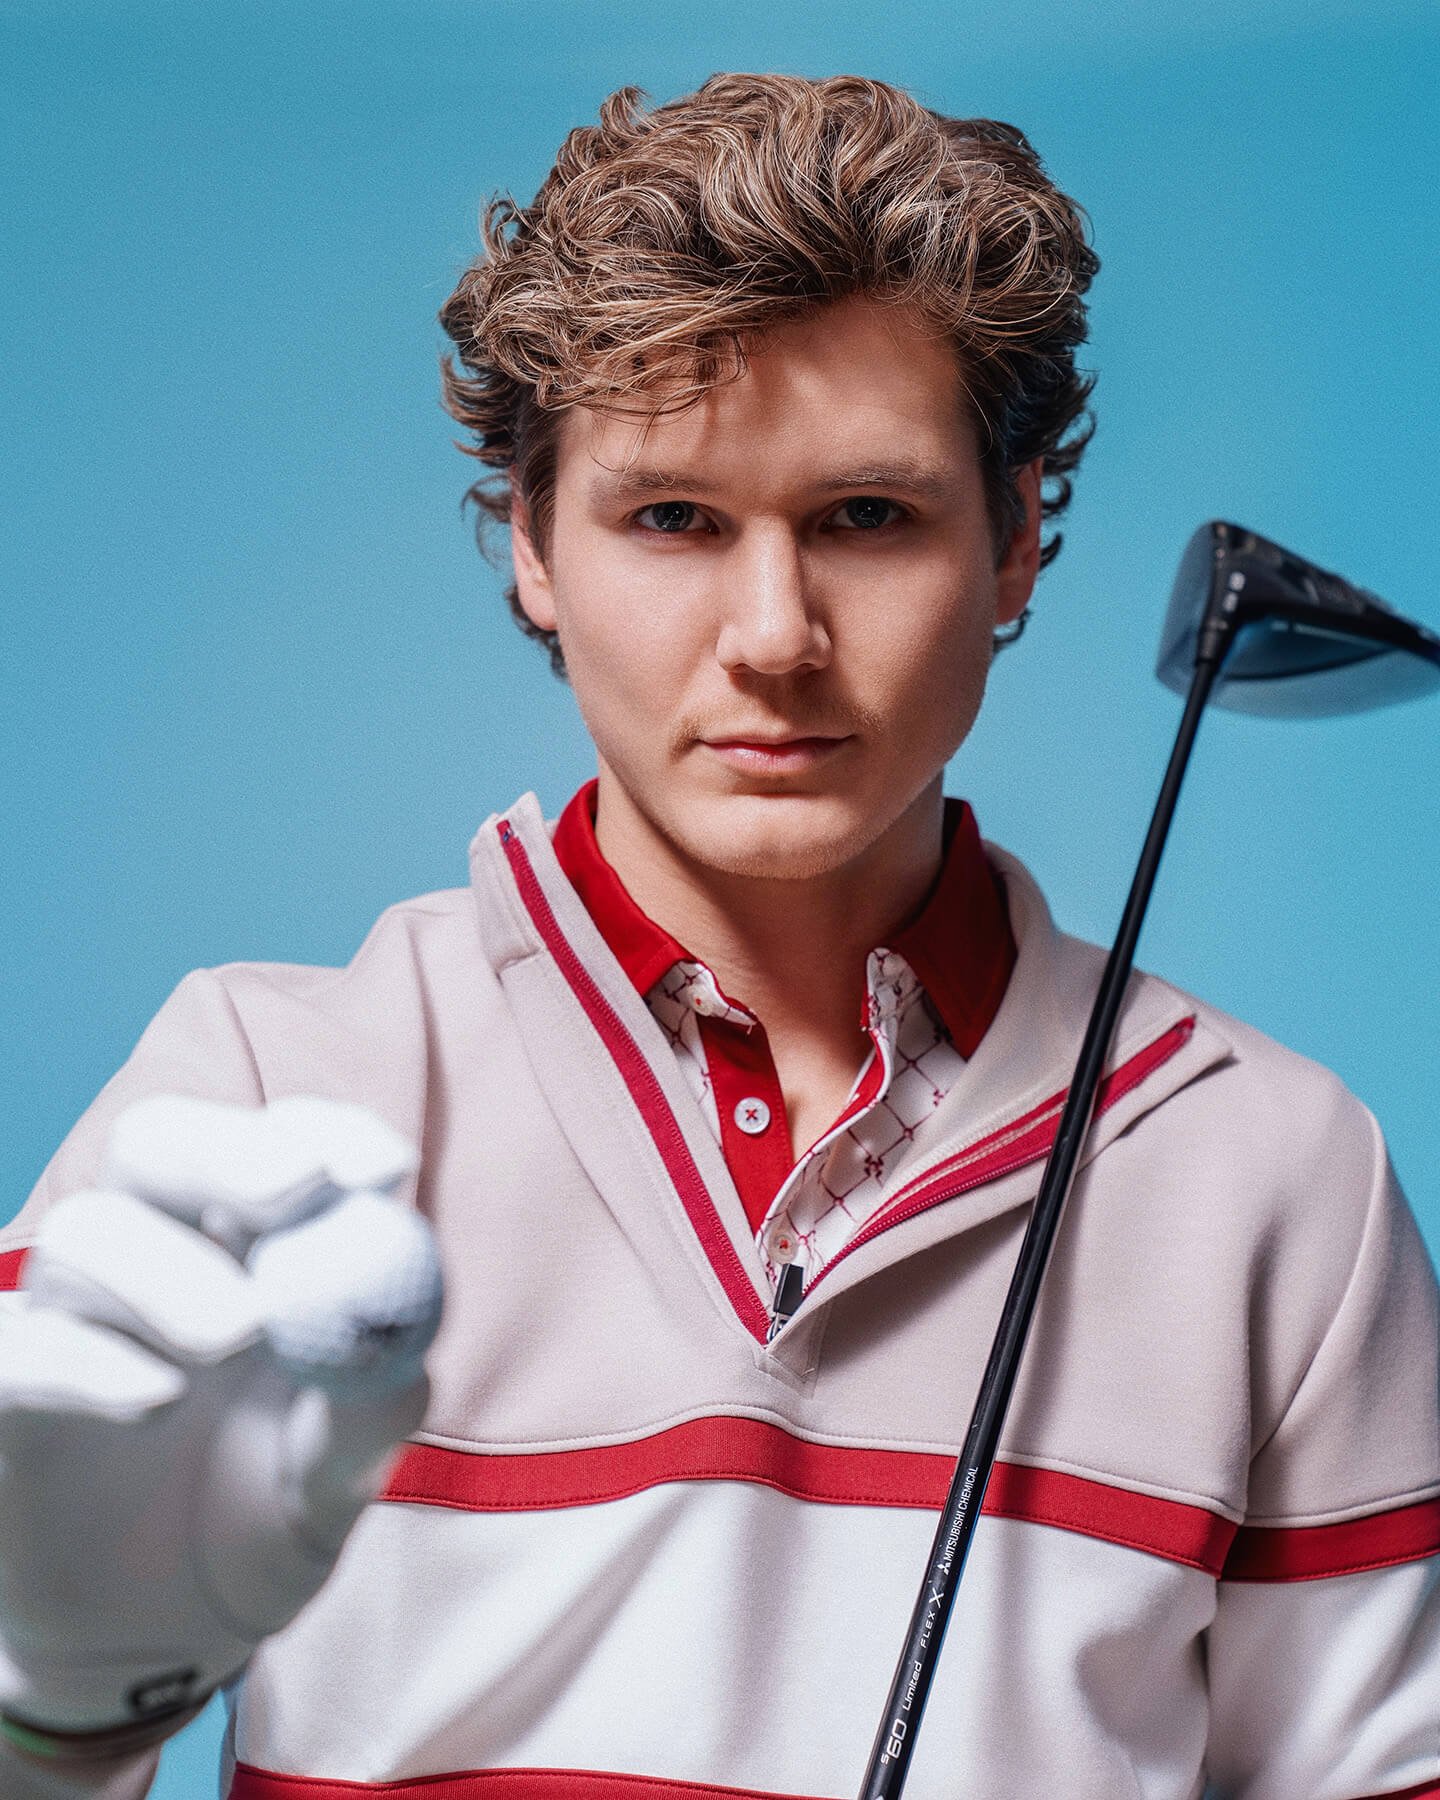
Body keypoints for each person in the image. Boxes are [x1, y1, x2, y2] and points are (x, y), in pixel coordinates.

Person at [0, 71, 1436, 1800]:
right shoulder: (261, 1095)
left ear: (1013, 546)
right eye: (674, 518)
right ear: (533, 546)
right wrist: (50, 1699)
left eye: (867, 517)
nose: (774, 635)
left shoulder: (1281, 1176)